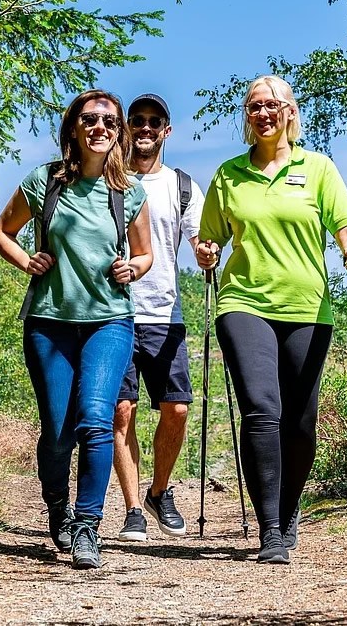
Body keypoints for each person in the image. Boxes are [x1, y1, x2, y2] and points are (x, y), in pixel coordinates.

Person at [195, 75, 347, 565]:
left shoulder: (318, 169)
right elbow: (210, 240)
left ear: (290, 111)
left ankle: (289, 512)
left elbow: (346, 226)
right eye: (254, 107)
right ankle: (270, 528)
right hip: (244, 303)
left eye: (272, 105)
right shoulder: (229, 176)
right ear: (247, 118)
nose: (263, 113)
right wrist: (207, 253)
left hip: (308, 308)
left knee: (300, 421)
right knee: (261, 408)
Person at [0, 89, 153, 570]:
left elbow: (145, 254)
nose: (99, 127)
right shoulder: (45, 182)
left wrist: (134, 269)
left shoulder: (129, 192)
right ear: (73, 129)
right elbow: (2, 231)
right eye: (90, 119)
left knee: (96, 420)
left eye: (109, 120)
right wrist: (26, 260)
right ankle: (58, 509)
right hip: (50, 323)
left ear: (118, 130)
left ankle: (87, 527)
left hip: (110, 321)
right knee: (59, 433)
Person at [111, 93, 201, 542]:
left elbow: (202, 238)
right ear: (127, 129)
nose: (145, 129)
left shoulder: (182, 185)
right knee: (121, 411)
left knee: (178, 408)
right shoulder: (110, 180)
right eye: (138, 121)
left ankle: (158, 491)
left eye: (154, 122)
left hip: (165, 313)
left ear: (166, 130)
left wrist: (206, 251)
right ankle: (131, 509)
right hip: (112, 311)